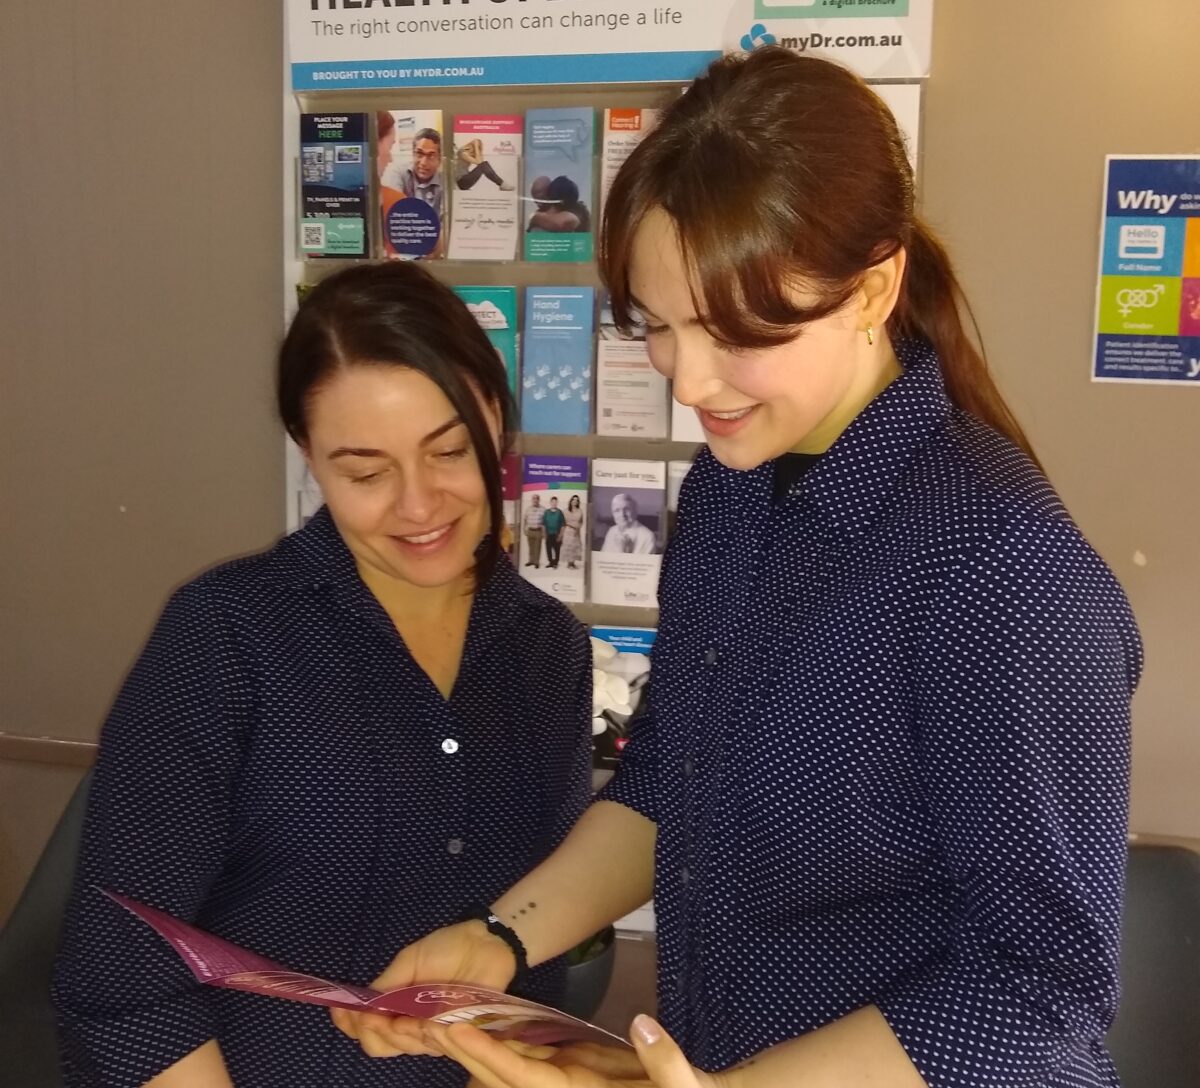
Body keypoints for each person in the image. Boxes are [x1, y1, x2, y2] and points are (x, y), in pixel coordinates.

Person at [338, 48, 1142, 1088]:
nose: (691, 380)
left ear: (873, 287)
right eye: (659, 326)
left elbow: (1041, 991)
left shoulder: (997, 567)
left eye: (733, 332)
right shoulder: (735, 487)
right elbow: (670, 774)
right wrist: (499, 937)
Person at [51, 261, 593, 1088]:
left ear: (497, 416)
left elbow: (536, 949)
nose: (419, 507)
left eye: (449, 451)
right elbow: (121, 975)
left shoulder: (547, 649)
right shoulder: (226, 636)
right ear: (310, 456)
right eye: (366, 473)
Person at [561, 494, 584, 569]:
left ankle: (573, 563)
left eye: (576, 500)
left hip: (576, 531)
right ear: (571, 501)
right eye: (573, 500)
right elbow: (563, 522)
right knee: (569, 546)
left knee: (575, 547)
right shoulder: (566, 511)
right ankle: (569, 563)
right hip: (568, 531)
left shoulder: (580, 511)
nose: (575, 501)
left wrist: (578, 527)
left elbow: (581, 521)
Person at [542, 496, 566, 568]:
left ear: (557, 503)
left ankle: (555, 563)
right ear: (550, 503)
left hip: (557, 534)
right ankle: (550, 562)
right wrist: (544, 535)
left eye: (555, 502)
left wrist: (560, 536)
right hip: (548, 534)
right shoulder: (546, 512)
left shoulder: (560, 512)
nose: (554, 503)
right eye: (553, 502)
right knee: (548, 549)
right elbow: (543, 524)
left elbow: (563, 525)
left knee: (557, 550)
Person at [523, 493, 545, 568]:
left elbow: (544, 522)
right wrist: (524, 529)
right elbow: (525, 519)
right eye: (534, 499)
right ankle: (531, 561)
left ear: (539, 500)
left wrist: (544, 532)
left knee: (537, 547)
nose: (535, 500)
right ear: (532, 500)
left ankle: (536, 562)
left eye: (536, 499)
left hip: (538, 531)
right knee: (530, 547)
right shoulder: (528, 509)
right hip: (530, 530)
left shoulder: (543, 509)